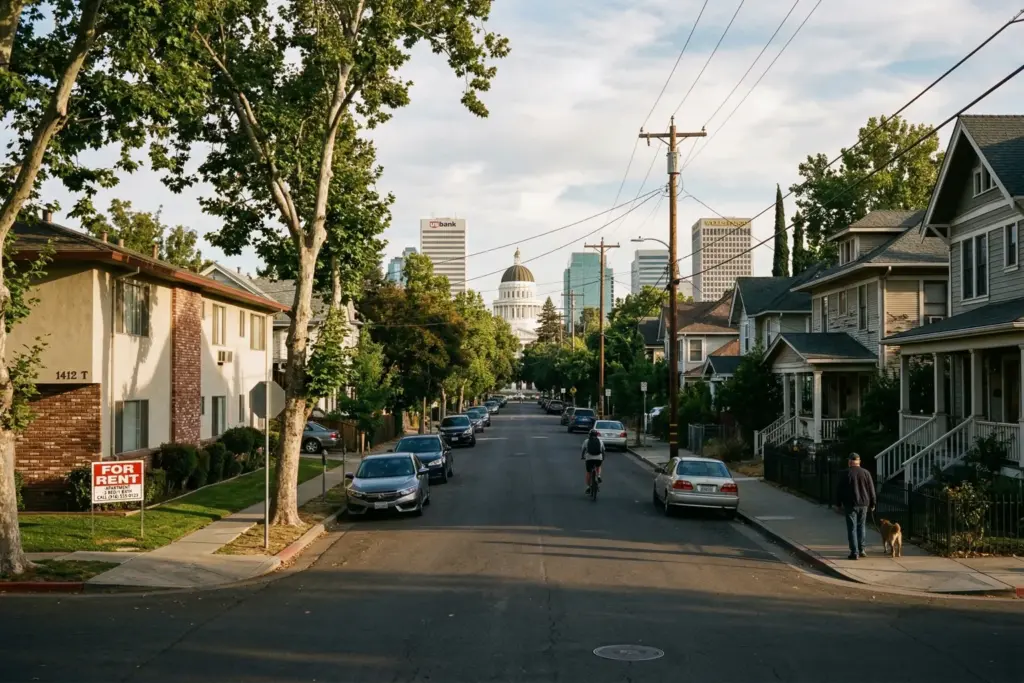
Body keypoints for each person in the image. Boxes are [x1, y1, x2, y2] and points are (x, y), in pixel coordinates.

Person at [836, 452, 876, 560]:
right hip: (864, 503)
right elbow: (871, 490)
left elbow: (839, 490)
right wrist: (873, 503)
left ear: (849, 461)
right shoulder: (866, 473)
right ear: (859, 462)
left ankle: (854, 552)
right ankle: (862, 549)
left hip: (850, 504)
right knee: (861, 526)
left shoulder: (845, 473)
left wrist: (838, 503)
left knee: (852, 528)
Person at [581, 429, 605, 495]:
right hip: (598, 458)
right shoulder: (600, 441)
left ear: (589, 435)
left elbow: (583, 450)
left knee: (588, 472)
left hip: (589, 458)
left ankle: (588, 486)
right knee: (599, 466)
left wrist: (582, 456)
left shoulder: (586, 441)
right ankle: (599, 476)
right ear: (596, 435)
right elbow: (603, 451)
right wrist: (603, 458)